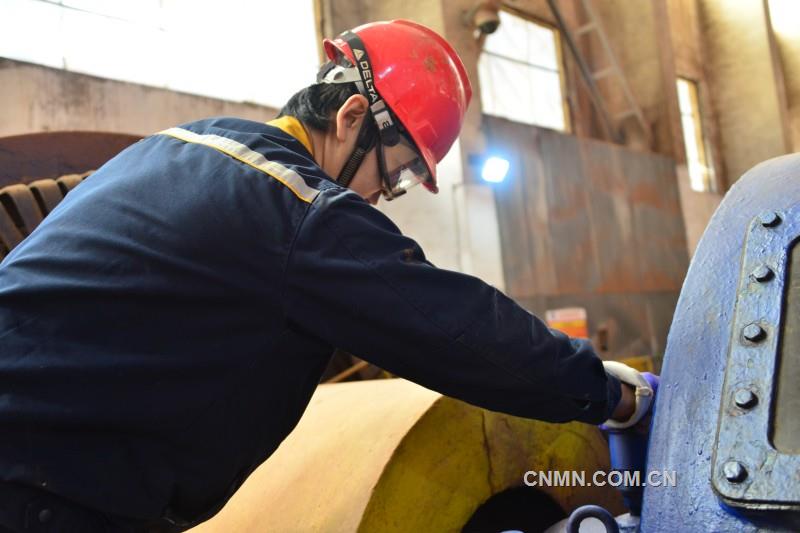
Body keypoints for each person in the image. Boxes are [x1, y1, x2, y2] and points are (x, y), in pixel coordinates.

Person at [0, 19, 655, 532]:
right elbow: (454, 326)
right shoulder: (296, 208)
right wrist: (605, 390)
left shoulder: (179, 146)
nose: (380, 196)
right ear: (349, 120)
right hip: (38, 490)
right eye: (394, 175)